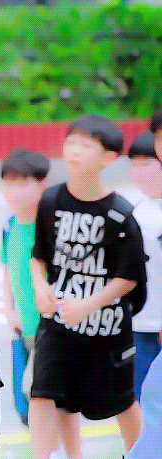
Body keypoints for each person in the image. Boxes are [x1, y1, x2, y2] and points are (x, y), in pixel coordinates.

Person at [29, 114, 147, 459]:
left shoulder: (120, 214)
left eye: (86, 145)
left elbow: (130, 277)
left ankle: (142, 454)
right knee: (44, 393)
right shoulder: (51, 201)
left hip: (105, 328)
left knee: (122, 401)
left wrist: (89, 304)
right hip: (58, 321)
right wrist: (39, 288)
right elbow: (38, 257)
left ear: (108, 157)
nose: (75, 151)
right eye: (70, 142)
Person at [0, 147, 50, 425]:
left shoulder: (50, 226)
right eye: (9, 184)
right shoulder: (9, 226)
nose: (14, 191)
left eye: (23, 183)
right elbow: (8, 273)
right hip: (24, 324)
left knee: (43, 392)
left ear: (43, 184)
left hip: (50, 324)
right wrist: (9, 311)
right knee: (26, 401)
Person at [121, 130, 162, 400]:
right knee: (142, 398)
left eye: (147, 164)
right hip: (140, 325)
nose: (139, 172)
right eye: (134, 165)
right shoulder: (133, 213)